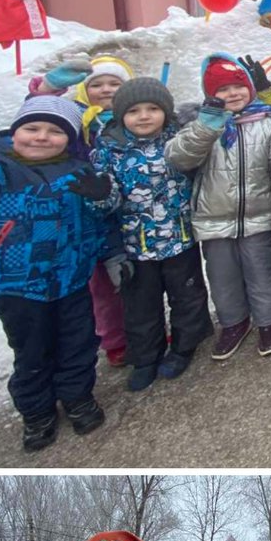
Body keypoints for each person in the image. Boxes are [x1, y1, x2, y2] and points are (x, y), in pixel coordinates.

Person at [0, 95, 114, 451]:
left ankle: (78, 399)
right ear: (14, 133)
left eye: (54, 131)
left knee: (79, 344)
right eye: (31, 128)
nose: (41, 136)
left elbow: (97, 221)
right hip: (17, 288)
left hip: (71, 281)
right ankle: (37, 412)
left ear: (69, 138)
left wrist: (102, 199)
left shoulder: (79, 171)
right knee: (30, 351)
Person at [166, 54, 271, 361]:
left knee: (262, 271)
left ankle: (269, 321)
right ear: (210, 94)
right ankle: (233, 322)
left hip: (259, 216)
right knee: (221, 275)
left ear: (251, 88)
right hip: (213, 218)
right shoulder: (197, 125)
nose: (232, 94)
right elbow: (179, 158)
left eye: (238, 87)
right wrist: (206, 127)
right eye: (222, 89)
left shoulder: (269, 126)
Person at [90, 77, 213, 392]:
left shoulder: (178, 139)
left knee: (187, 297)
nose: (143, 116)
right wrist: (101, 193)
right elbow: (107, 202)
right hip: (136, 245)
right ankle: (146, 357)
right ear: (121, 116)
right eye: (134, 111)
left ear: (166, 112)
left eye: (152, 109)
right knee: (141, 306)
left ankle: (184, 347)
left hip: (180, 239)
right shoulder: (109, 149)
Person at [32, 52, 135, 365]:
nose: (105, 90)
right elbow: (40, 118)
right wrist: (46, 91)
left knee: (131, 279)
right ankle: (114, 339)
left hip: (127, 214)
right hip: (86, 216)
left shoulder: (134, 115)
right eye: (97, 84)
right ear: (83, 90)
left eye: (114, 83)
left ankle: (143, 330)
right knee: (100, 287)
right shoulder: (76, 120)